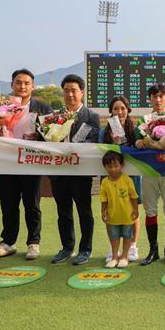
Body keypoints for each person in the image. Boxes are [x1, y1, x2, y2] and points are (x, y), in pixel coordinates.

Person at [0, 68, 53, 261]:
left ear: (32, 86)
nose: (22, 86)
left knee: (32, 204)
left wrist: (38, 136)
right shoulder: (0, 108)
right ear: (12, 85)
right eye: (18, 82)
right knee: (8, 204)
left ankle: (33, 243)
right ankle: (8, 242)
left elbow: (53, 135)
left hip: (31, 164)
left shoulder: (42, 108)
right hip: (7, 164)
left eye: (26, 83)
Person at [51, 74, 100, 265]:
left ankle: (85, 249)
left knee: (84, 212)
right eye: (66, 90)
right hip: (58, 173)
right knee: (63, 212)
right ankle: (66, 248)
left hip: (80, 172)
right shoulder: (55, 116)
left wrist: (73, 149)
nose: (70, 94)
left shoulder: (92, 116)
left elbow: (93, 141)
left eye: (74, 90)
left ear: (82, 92)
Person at [135, 84, 165, 266]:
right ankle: (153, 250)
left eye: (162, 96)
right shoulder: (143, 120)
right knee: (150, 209)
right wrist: (139, 141)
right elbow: (137, 140)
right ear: (150, 99)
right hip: (149, 170)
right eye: (154, 96)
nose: (158, 99)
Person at [99, 96, 142, 262]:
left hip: (131, 177)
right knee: (110, 211)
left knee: (133, 208)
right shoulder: (104, 131)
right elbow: (99, 151)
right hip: (110, 179)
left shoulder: (135, 129)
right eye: (116, 109)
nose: (119, 112)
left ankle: (132, 246)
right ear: (111, 112)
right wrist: (114, 145)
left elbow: (140, 148)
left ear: (128, 110)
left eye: (123, 108)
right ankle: (113, 247)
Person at [100, 151, 139, 268]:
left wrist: (135, 210)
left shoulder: (127, 180)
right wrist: (103, 212)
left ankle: (124, 256)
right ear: (105, 167)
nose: (113, 169)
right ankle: (114, 257)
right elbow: (104, 200)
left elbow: (134, 197)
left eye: (116, 166)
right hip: (112, 217)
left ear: (121, 165)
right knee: (114, 236)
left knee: (127, 236)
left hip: (127, 216)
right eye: (109, 166)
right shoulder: (104, 182)